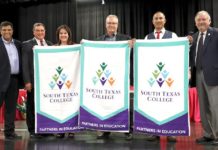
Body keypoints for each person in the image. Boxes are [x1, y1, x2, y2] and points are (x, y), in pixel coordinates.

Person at [96, 14, 133, 140]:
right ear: (105, 25)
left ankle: (127, 129)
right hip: (104, 78)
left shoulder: (126, 39)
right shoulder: (98, 40)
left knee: (124, 103)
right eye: (109, 23)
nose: (111, 25)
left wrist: (133, 46)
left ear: (117, 25)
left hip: (120, 78)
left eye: (114, 23)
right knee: (105, 103)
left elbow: (132, 56)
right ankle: (105, 129)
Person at [144, 11, 177, 142]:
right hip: (153, 76)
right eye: (156, 18)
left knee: (169, 104)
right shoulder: (147, 37)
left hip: (168, 76)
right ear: (153, 21)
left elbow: (178, 54)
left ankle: (170, 132)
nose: (158, 20)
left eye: (160, 18)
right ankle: (154, 132)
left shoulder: (173, 35)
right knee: (154, 104)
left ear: (165, 20)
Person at [189, 10, 218, 145]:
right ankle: (208, 134)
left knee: (215, 106)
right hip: (198, 75)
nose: (201, 22)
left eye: (204, 19)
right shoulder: (194, 37)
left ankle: (217, 135)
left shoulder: (216, 34)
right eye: (199, 20)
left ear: (209, 21)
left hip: (214, 75)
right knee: (204, 106)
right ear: (195, 23)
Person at [22, 23, 53, 138]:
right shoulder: (27, 45)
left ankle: (44, 128)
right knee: (31, 106)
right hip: (33, 82)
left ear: (45, 32)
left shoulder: (49, 44)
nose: (40, 32)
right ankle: (32, 130)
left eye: (42, 30)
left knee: (45, 105)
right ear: (33, 32)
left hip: (47, 83)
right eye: (38, 30)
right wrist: (27, 81)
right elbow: (24, 65)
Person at [0, 21, 23, 140]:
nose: (7, 32)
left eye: (9, 30)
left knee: (11, 108)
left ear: (12, 31)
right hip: (0, 80)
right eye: (4, 30)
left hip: (14, 80)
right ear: (0, 31)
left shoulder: (18, 44)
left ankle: (9, 133)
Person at [54, 24, 75, 138]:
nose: (63, 35)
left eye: (65, 33)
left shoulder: (75, 47)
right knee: (60, 105)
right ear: (58, 35)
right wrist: (38, 50)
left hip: (72, 81)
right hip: (59, 81)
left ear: (68, 34)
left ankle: (71, 129)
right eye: (61, 33)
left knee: (71, 104)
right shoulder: (53, 47)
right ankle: (60, 129)